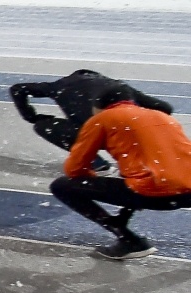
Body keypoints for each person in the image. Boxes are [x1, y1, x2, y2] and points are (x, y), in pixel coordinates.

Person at [49, 85, 191, 260]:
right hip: (187, 191)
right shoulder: (163, 116)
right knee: (133, 175)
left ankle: (128, 240)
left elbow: (74, 168)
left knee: (62, 186)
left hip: (153, 192)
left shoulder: (102, 119)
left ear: (98, 106)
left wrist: (93, 179)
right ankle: (125, 228)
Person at [10, 69, 173, 154]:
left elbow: (17, 89)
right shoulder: (117, 86)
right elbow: (165, 108)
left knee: (42, 126)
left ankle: (98, 165)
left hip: (94, 136)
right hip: (129, 137)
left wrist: (31, 116)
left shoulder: (57, 87)